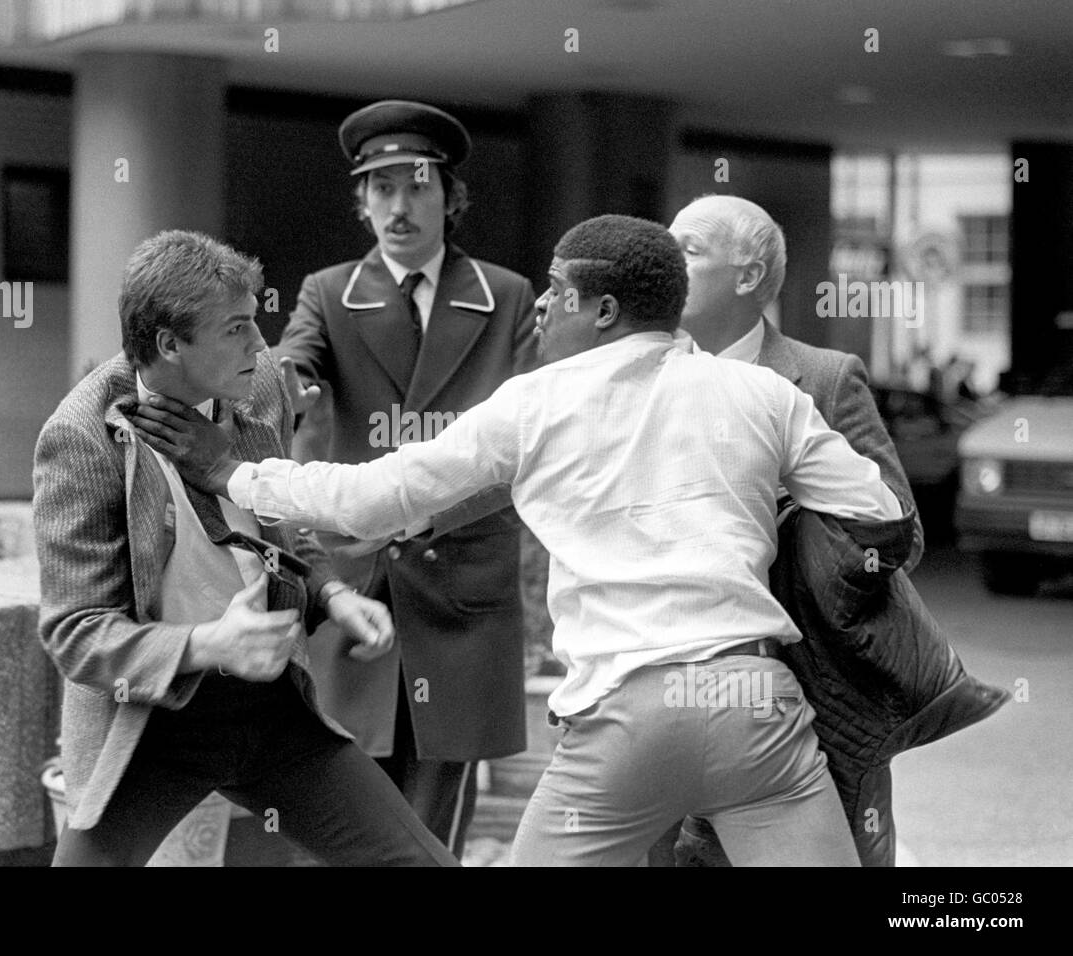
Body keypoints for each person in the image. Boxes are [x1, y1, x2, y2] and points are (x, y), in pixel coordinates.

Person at [149, 215, 908, 866]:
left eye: (561, 291)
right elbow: (879, 513)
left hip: (624, 725)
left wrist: (229, 471)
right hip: (757, 712)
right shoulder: (763, 394)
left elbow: (367, 503)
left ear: (605, 310)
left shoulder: (535, 405)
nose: (542, 303)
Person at [32, 230, 456, 867]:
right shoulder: (81, 435)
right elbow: (75, 632)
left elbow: (277, 528)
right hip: (151, 721)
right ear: (170, 344)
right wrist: (208, 644)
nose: (260, 344)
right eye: (236, 328)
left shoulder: (258, 390)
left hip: (272, 709)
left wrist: (331, 594)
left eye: (255, 321)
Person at [270, 99, 538, 856]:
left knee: (429, 829)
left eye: (417, 186)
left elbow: (529, 442)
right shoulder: (327, 293)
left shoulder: (508, 297)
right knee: (329, 809)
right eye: (381, 187)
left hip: (461, 590)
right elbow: (290, 364)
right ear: (362, 204)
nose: (399, 205)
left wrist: (427, 514)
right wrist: (284, 391)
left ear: (449, 199)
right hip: (355, 588)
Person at [657, 194, 924, 866]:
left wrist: (785, 510)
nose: (666, 260)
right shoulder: (640, 375)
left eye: (688, 249)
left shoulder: (826, 379)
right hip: (658, 695)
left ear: (748, 276)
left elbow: (901, 532)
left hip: (805, 696)